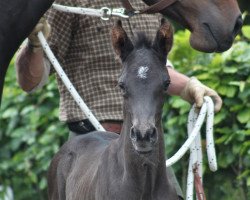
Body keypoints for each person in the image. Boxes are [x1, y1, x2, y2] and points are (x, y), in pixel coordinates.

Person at [15, 0, 222, 199]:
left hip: (149, 144)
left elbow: (150, 72)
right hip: (89, 145)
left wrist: (188, 86)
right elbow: (29, 82)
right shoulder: (72, 2)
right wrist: (34, 45)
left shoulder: (151, 2)